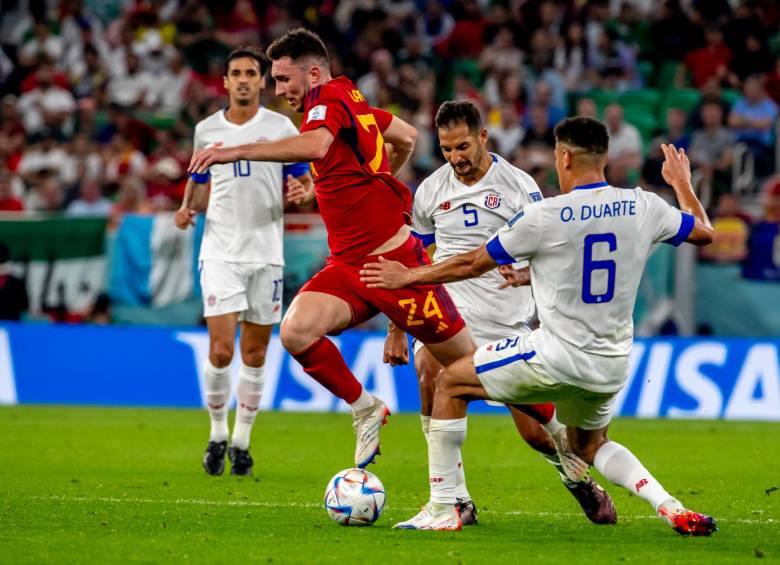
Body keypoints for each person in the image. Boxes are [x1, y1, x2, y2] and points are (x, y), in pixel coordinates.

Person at [188, 29, 568, 480]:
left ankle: (562, 432)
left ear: (311, 73)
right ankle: (366, 408)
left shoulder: (326, 99)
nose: (279, 90)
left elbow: (316, 146)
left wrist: (229, 152)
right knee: (295, 332)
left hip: (398, 269)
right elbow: (405, 136)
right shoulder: (350, 98)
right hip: (350, 265)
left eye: (284, 79)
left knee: (479, 372)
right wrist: (378, 181)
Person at [360, 117, 718, 536]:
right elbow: (705, 234)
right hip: (611, 364)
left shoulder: (546, 214)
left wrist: (404, 279)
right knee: (589, 446)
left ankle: (445, 505)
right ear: (605, 156)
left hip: (554, 353)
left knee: (451, 383)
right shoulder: (644, 205)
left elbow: (472, 263)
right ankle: (672, 508)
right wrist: (680, 183)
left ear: (563, 157)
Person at [383, 100, 616, 525]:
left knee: (536, 434)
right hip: (449, 311)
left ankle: (576, 476)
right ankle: (452, 500)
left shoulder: (518, 185)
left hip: (507, 320)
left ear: (484, 137)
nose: (456, 158)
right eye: (447, 149)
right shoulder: (431, 190)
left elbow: (545, 248)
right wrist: (397, 328)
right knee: (430, 377)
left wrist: (538, 294)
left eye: (463, 146)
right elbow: (416, 259)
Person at [175, 46, 314, 476]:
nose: (242, 80)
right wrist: (188, 209)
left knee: (255, 354)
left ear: (261, 80)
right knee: (220, 349)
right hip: (220, 251)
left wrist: (303, 193)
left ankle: (242, 441)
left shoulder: (279, 127)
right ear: (225, 81)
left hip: (266, 254)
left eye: (250, 73)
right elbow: (198, 183)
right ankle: (217, 432)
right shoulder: (207, 130)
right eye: (235, 72)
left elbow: (303, 181)